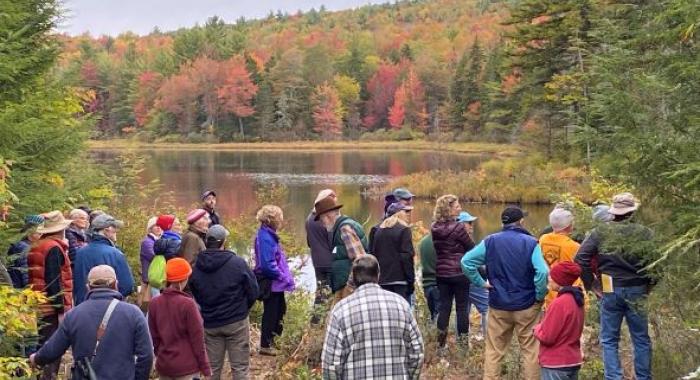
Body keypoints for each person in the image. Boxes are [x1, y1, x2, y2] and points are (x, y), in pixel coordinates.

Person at [461, 206, 549, 380]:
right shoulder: (531, 242)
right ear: (521, 221)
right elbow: (542, 272)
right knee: (530, 351)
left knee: (494, 351)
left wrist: (480, 283)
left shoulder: (490, 241)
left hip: (498, 304)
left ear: (503, 222)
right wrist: (539, 296)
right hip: (527, 305)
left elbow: (466, 262)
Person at [575, 192, 655, 380]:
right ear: (632, 212)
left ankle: (613, 377)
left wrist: (592, 284)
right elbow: (658, 262)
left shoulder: (600, 232)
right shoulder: (646, 232)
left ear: (614, 213)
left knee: (609, 340)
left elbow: (580, 259)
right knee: (641, 338)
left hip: (609, 289)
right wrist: (650, 285)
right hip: (638, 288)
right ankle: (643, 377)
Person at [30, 265, 153, 380]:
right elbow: (146, 355)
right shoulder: (133, 313)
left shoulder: (74, 315)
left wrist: (36, 358)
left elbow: (53, 350)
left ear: (88, 287)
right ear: (116, 284)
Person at [322, 255, 424, 379]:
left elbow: (331, 363)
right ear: (378, 275)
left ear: (353, 278)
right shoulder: (401, 305)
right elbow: (417, 352)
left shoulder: (340, 311)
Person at [190, 225, 259, 379]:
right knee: (240, 368)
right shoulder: (237, 263)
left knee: (212, 370)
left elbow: (195, 292)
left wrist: (206, 310)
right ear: (223, 242)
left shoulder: (196, 267)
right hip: (236, 322)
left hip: (210, 323)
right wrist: (243, 309)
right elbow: (254, 291)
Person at [27, 211, 74, 380]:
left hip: (39, 304)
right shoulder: (53, 248)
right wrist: (61, 309)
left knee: (43, 346)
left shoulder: (37, 245)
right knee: (52, 348)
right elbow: (54, 282)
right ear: (59, 229)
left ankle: (40, 376)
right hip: (50, 307)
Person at [148, 258, 211, 380]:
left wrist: (161, 356)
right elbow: (198, 340)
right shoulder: (188, 304)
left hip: (164, 366)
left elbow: (155, 338)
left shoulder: (155, 303)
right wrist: (206, 368)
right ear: (185, 279)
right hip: (186, 368)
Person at [431, 194, 474, 350]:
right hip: (459, 273)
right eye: (457, 206)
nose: (460, 208)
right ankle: (463, 347)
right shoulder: (458, 227)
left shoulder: (434, 227)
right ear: (448, 209)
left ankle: (440, 346)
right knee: (462, 309)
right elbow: (471, 247)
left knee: (444, 308)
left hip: (441, 273)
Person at [254, 205, 295, 355]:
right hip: (271, 282)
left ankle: (274, 342)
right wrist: (283, 277)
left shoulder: (269, 234)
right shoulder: (265, 237)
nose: (281, 220)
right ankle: (266, 345)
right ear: (272, 219)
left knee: (280, 310)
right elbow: (267, 265)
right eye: (279, 217)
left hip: (276, 282)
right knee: (271, 312)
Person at [534, 262, 585, 380]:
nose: (549, 279)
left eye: (552, 276)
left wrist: (536, 329)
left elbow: (548, 337)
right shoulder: (578, 300)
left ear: (560, 280)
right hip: (572, 360)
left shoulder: (559, 303)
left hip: (555, 364)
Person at [314, 195, 368, 301]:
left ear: (327, 216)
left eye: (321, 219)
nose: (322, 223)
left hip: (350, 290)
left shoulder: (344, 229)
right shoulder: (340, 228)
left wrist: (349, 287)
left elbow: (360, 261)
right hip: (346, 288)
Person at [73, 213, 134, 305]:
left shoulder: (80, 253)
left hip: (83, 308)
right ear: (106, 230)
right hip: (110, 307)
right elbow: (127, 286)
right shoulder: (115, 254)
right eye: (114, 227)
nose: (116, 230)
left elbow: (77, 285)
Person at [369, 202, 415, 303]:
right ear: (398, 213)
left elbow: (373, 256)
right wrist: (411, 281)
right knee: (402, 315)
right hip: (400, 282)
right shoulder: (404, 230)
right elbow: (406, 257)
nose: (409, 214)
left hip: (382, 281)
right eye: (406, 211)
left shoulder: (378, 230)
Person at [540, 207, 583, 309]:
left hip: (549, 290)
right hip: (569, 294)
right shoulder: (574, 246)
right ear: (569, 226)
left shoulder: (543, 239)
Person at [458, 211, 489, 340]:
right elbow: (474, 265)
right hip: (471, 281)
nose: (472, 226)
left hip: (460, 281)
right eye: (469, 223)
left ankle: (462, 342)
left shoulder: (452, 239)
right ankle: (489, 340)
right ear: (460, 225)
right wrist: (485, 278)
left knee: (462, 311)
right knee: (488, 308)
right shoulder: (465, 241)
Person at [306, 189, 336, 324]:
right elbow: (333, 242)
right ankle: (322, 323)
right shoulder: (326, 220)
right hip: (329, 262)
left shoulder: (309, 219)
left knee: (320, 293)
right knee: (330, 294)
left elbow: (309, 242)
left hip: (317, 261)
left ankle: (315, 322)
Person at [7, 214, 44, 289]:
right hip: (22, 290)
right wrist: (29, 290)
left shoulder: (23, 244)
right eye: (39, 231)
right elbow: (26, 272)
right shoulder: (24, 247)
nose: (42, 233)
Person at [138, 216, 162, 307]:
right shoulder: (147, 242)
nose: (159, 227)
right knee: (151, 307)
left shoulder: (158, 241)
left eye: (160, 225)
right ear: (150, 228)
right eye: (156, 225)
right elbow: (154, 257)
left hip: (155, 279)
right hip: (150, 280)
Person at [418, 230, 440, 322]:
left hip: (426, 285)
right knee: (439, 316)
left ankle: (431, 334)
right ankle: (436, 335)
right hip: (438, 284)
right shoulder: (440, 242)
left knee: (432, 316)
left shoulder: (422, 242)